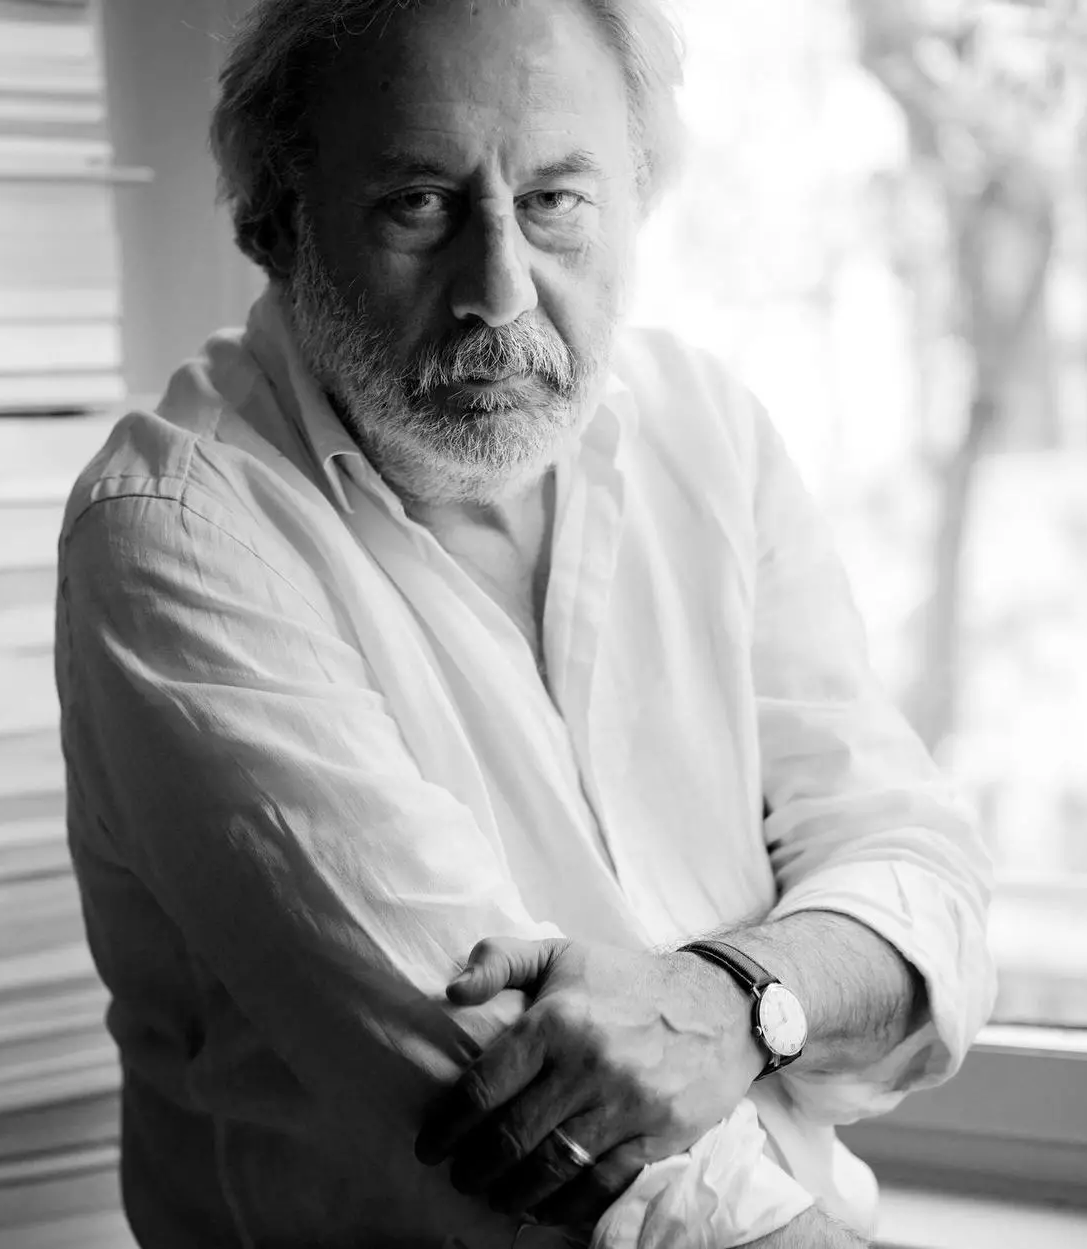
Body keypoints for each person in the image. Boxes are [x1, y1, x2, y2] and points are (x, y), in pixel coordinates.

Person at [54, 0, 996, 1245]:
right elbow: (530, 1112)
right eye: (418, 204)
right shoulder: (172, 529)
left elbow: (921, 889)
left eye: (553, 199)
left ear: (635, 198)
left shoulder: (704, 430)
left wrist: (731, 1001)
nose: (498, 291)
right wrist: (797, 988)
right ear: (271, 223)